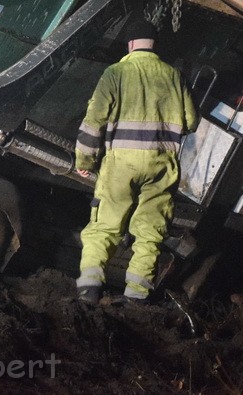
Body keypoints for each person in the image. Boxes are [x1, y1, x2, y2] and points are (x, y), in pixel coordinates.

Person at [75, 19, 197, 305]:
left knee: (104, 227)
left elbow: (94, 121)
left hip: (121, 165)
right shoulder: (174, 75)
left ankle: (89, 289)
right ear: (155, 45)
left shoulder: (116, 72)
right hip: (161, 165)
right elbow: (191, 120)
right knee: (150, 232)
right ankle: (136, 296)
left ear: (129, 44)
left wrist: (86, 160)